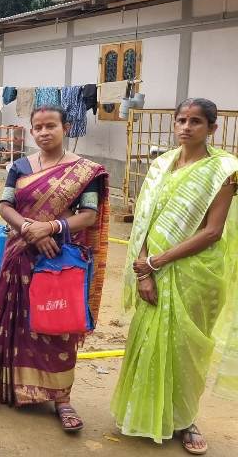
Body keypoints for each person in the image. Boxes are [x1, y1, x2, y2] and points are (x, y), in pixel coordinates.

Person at [111, 98, 238, 455]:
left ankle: (185, 419)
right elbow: (144, 221)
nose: (186, 127)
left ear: (212, 128)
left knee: (186, 350)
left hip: (196, 272)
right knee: (149, 340)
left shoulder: (224, 170)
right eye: (181, 120)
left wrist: (156, 262)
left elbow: (212, 231)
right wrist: (143, 270)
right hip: (152, 266)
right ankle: (146, 412)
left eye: (196, 121)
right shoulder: (161, 164)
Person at [0, 105, 110, 432]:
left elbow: (88, 215)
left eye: (51, 126)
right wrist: (29, 229)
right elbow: (5, 206)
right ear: (31, 131)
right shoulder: (19, 167)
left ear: (66, 127)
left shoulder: (84, 171)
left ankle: (62, 398)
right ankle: (10, 386)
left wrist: (51, 229)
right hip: (20, 254)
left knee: (58, 325)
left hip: (57, 260)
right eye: (38, 127)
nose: (44, 132)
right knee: (13, 320)